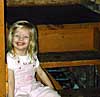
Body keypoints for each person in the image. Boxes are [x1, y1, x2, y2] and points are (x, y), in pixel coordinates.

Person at [7, 20, 61, 97]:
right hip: (19, 91)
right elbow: (11, 81)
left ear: (31, 41)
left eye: (25, 37)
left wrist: (52, 89)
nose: (20, 39)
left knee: (52, 95)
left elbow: (41, 73)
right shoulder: (10, 57)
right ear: (11, 38)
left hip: (34, 88)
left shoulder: (32, 55)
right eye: (17, 36)